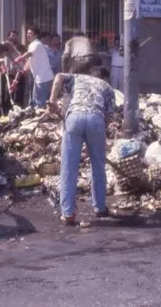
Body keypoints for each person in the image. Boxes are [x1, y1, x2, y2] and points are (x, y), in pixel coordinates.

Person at [47, 67, 115, 225]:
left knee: (69, 167)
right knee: (98, 166)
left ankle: (68, 213)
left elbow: (58, 77)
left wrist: (52, 100)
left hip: (75, 118)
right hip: (97, 121)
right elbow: (108, 117)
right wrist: (94, 140)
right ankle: (100, 207)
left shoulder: (77, 77)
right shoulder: (108, 89)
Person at [15, 27, 54, 107]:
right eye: (27, 33)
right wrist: (24, 71)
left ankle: (41, 118)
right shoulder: (32, 45)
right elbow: (29, 61)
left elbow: (29, 53)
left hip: (43, 78)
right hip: (39, 78)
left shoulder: (37, 44)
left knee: (40, 102)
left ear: (36, 35)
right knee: (35, 100)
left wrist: (19, 58)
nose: (27, 35)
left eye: (30, 33)